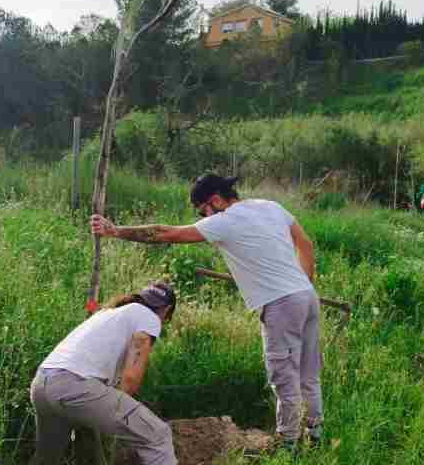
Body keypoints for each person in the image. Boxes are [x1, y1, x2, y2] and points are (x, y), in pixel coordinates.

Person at [90, 173, 323, 450]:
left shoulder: (226, 220)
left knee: (283, 376)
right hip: (307, 298)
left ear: (215, 200)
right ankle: (315, 435)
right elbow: (305, 244)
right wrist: (302, 284)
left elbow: (166, 233)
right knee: (308, 373)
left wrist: (116, 231)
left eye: (204, 212)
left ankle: (289, 444)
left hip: (281, 304)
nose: (205, 217)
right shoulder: (270, 206)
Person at [29, 281, 182, 465]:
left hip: (43, 383)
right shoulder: (148, 317)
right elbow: (130, 378)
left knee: (47, 457)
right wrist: (122, 411)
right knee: (157, 435)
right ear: (166, 311)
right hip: (73, 386)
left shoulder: (109, 313)